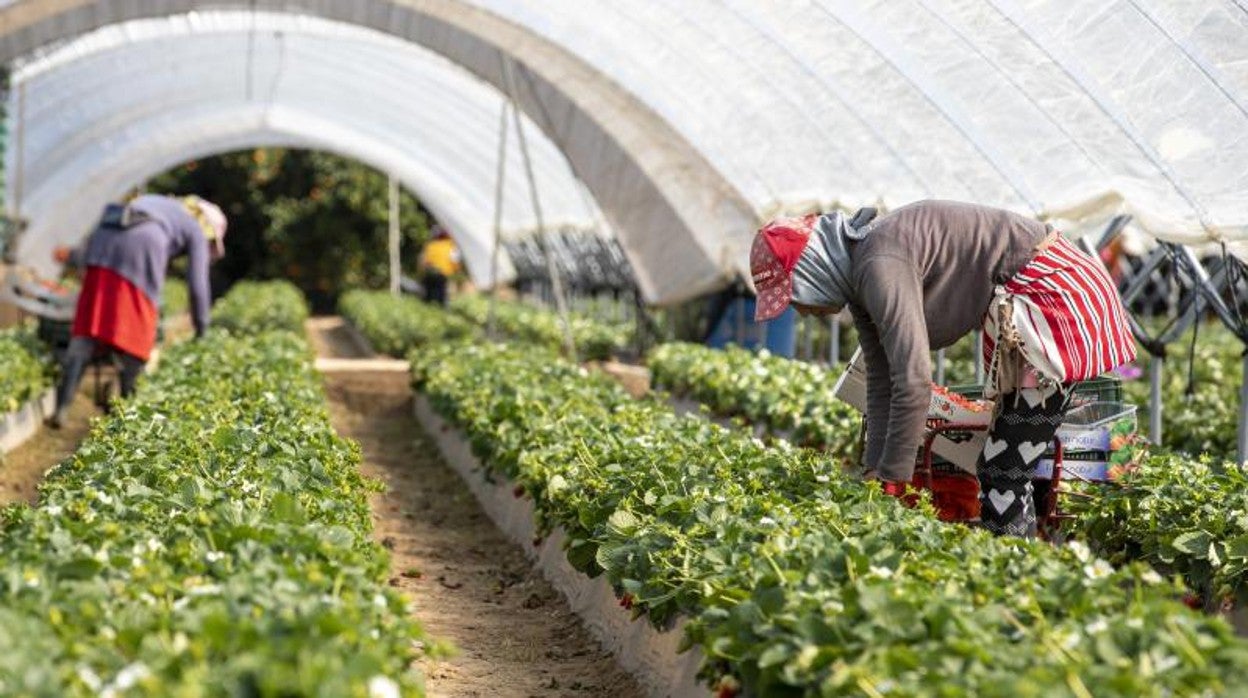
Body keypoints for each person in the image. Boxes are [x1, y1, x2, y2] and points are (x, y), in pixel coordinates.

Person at [750, 200, 1136, 537]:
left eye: (794, 295)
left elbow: (914, 382)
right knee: (1006, 466)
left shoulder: (879, 263)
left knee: (1004, 473)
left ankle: (1021, 579)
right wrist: (874, 472)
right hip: (1029, 304)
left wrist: (893, 481)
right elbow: (882, 381)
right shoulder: (863, 278)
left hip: (1052, 300)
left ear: (812, 270)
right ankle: (1022, 561)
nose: (802, 311)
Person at [47, 194, 227, 427]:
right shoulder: (194, 228)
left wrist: (76, 256)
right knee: (135, 336)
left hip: (103, 239)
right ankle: (127, 420)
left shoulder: (158, 202)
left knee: (89, 325)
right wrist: (202, 326)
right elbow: (197, 284)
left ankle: (61, 409)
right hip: (143, 247)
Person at [416, 226, 462, 306]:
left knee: (428, 296)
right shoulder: (451, 246)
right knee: (441, 296)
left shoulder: (430, 245)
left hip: (429, 273)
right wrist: (456, 271)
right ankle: (440, 310)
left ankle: (426, 309)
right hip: (442, 274)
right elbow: (455, 262)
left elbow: (422, 261)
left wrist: (422, 272)